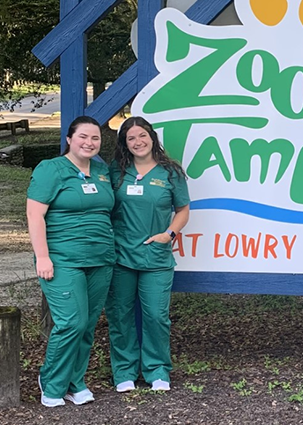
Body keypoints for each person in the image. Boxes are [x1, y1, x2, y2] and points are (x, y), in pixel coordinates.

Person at [27, 116, 115, 407]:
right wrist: (43, 256)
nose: (89, 143)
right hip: (63, 259)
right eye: (83, 137)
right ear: (69, 139)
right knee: (70, 323)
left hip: (100, 258)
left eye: (95, 138)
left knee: (87, 324)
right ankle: (52, 381)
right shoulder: (51, 169)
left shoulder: (102, 172)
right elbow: (35, 215)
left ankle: (75, 382)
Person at [106, 116, 190, 393]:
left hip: (156, 257)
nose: (137, 142)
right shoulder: (116, 172)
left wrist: (169, 234)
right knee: (120, 315)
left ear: (152, 138)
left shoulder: (170, 173)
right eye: (130, 138)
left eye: (142, 136)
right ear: (124, 144)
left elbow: (183, 210)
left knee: (156, 316)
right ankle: (124, 372)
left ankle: (157, 370)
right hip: (120, 256)